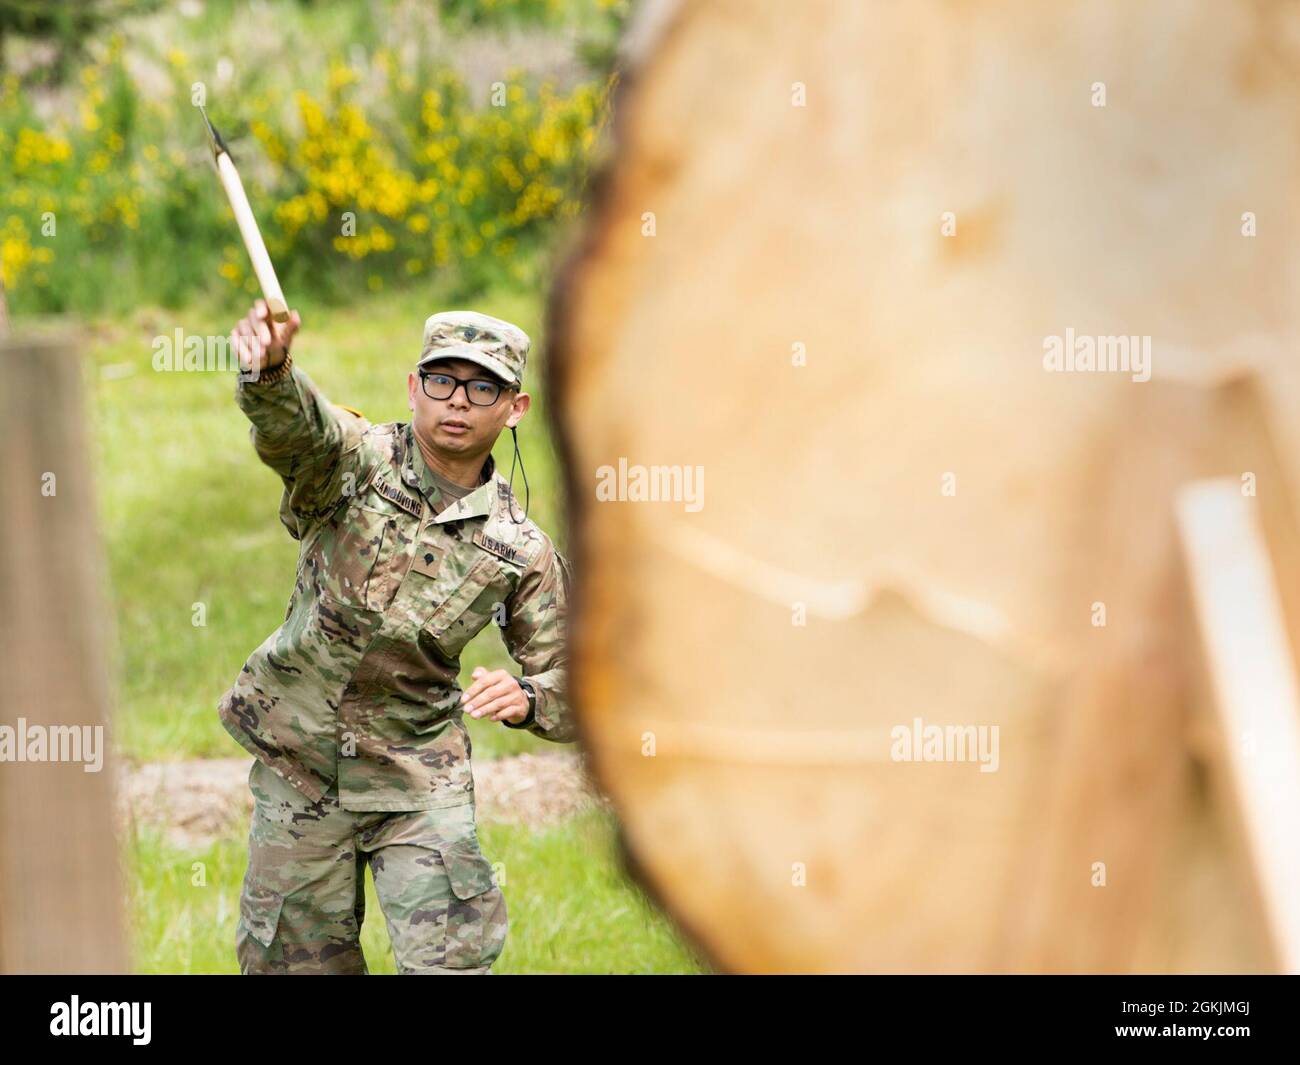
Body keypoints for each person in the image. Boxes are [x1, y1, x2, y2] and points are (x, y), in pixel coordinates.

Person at [218, 299, 574, 974]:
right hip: (300, 764)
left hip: (416, 775)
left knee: (450, 963)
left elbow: (583, 680)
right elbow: (302, 435)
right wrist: (271, 373)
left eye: (482, 386)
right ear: (414, 387)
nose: (458, 402)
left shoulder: (518, 548)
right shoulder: (357, 461)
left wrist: (529, 695)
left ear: (516, 406)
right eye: (442, 380)